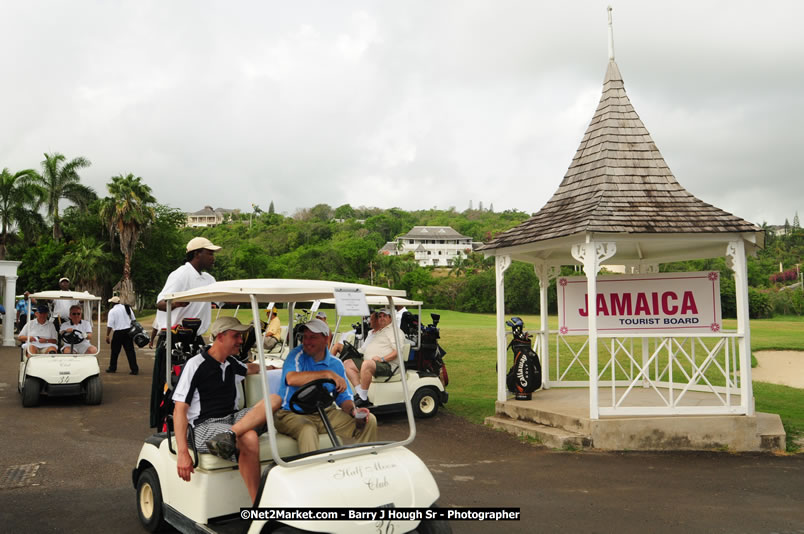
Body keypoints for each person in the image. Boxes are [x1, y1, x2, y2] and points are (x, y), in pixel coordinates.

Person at [172, 316, 281, 503]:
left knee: (275, 399)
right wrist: (183, 453)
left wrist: (271, 367)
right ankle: (258, 505)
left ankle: (229, 435)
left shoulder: (231, 363)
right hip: (202, 427)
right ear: (220, 337)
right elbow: (179, 410)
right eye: (236, 336)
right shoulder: (195, 365)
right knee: (249, 437)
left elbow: (249, 368)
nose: (241, 341)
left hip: (231, 421)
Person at [275, 318, 377, 454]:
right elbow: (291, 379)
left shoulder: (336, 364)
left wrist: (354, 411)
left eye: (312, 337)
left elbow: (343, 398)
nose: (306, 341)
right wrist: (326, 374)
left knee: (369, 420)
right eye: (305, 337)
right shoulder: (296, 355)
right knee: (307, 429)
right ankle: (312, 472)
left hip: (325, 412)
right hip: (291, 414)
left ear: (326, 339)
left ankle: (362, 463)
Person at [156, 237, 220, 338]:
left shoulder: (209, 279)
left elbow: (224, 300)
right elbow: (160, 304)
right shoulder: (180, 275)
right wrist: (176, 303)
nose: (213, 258)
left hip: (195, 337)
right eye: (210, 254)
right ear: (197, 254)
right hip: (174, 337)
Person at [343, 308, 403, 408]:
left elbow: (397, 352)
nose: (382, 318)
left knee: (366, 364)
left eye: (385, 316)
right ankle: (361, 394)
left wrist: (382, 359)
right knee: (347, 363)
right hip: (373, 362)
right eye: (380, 316)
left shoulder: (395, 332)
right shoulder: (380, 332)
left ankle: (362, 398)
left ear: (390, 318)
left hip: (387, 365)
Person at [106, 296, 138, 375]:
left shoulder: (112, 311)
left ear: (112, 303)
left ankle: (112, 368)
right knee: (130, 351)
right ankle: (134, 369)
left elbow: (110, 324)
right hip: (128, 331)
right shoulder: (127, 308)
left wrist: (107, 335)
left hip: (118, 332)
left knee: (115, 351)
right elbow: (133, 319)